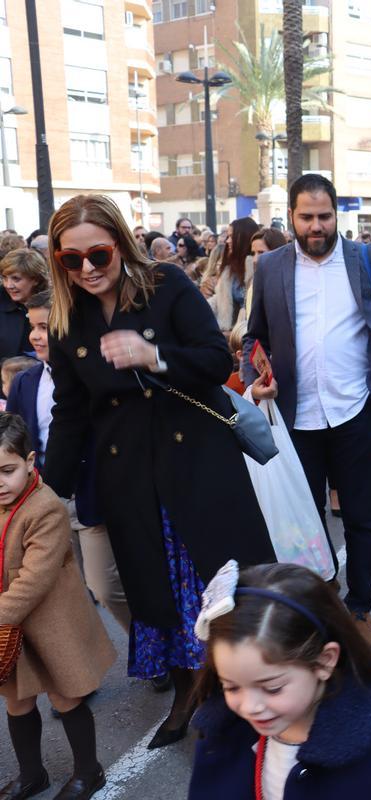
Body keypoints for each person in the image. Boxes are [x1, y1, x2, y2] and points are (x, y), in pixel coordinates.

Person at [43, 194, 276, 749]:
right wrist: (47, 492)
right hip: (128, 476)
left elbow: (216, 360)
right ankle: (187, 693)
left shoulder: (165, 285)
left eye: (98, 254)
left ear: (120, 245)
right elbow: (70, 412)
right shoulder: (65, 320)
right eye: (71, 260)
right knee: (158, 592)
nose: (87, 269)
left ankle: (252, 690)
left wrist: (155, 357)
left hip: (197, 464)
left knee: (221, 584)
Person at [242, 174, 371, 647]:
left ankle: (360, 606)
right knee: (304, 520)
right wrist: (254, 378)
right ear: (291, 217)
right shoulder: (271, 267)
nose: (317, 226)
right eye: (307, 217)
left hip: (355, 412)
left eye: (324, 216)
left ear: (335, 215)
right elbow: (253, 338)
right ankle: (322, 598)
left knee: (362, 518)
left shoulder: (370, 259)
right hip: (295, 418)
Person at [188, 562, 371, 799]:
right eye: (231, 686)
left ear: (324, 661)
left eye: (272, 688)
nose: (250, 706)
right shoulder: (222, 733)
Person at [0, 414, 115, 800]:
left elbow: (34, 579)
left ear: (30, 461)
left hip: (50, 621)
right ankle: (32, 774)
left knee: (66, 695)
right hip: (11, 624)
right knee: (17, 699)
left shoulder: (45, 507)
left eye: (7, 471)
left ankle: (88, 771)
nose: (0, 482)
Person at [8, 291, 130, 633]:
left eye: (44, 327)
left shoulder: (90, 375)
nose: (36, 336)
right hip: (44, 497)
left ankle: (150, 646)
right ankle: (86, 661)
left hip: (89, 492)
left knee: (105, 585)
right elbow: (14, 437)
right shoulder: (25, 381)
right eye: (32, 327)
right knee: (70, 591)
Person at [202, 216, 258, 333]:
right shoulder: (229, 270)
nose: (227, 241)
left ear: (243, 238)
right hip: (229, 333)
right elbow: (220, 300)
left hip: (250, 334)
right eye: (227, 237)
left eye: (231, 236)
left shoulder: (257, 267)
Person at [0, 248, 48, 360]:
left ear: (35, 279)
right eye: (4, 278)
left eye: (16, 279)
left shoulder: (53, 305)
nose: (8, 285)